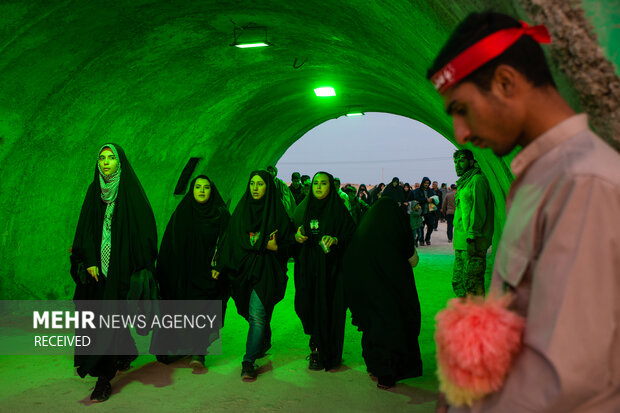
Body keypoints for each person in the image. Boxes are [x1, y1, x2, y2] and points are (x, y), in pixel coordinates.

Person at [428, 11, 620, 412]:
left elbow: (564, 377)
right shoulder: (538, 178)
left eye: (462, 108)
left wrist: (470, 406)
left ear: (505, 82)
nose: (461, 134)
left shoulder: (582, 183)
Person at [70, 144, 157, 402]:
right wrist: (89, 259)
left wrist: (131, 262)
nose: (106, 162)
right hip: (98, 271)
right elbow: (85, 228)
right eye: (102, 157)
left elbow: (146, 231)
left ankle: (104, 379)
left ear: (120, 163)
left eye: (111, 158)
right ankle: (122, 355)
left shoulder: (130, 191)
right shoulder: (93, 191)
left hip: (122, 270)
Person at [212, 170, 294, 380]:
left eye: (260, 184)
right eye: (252, 184)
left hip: (266, 271)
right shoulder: (241, 212)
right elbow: (229, 241)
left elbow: (290, 244)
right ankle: (263, 339)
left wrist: (276, 248)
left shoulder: (277, 214)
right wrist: (220, 266)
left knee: (257, 314)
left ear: (268, 187)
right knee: (252, 315)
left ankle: (248, 361)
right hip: (242, 271)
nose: (255, 188)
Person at [343, 197, 422, 389]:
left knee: (373, 329)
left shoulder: (363, 233)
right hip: (391, 296)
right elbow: (413, 261)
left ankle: (375, 366)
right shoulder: (397, 230)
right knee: (392, 329)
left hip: (366, 293)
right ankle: (387, 373)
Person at [154, 175, 230, 368]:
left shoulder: (221, 214)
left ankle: (199, 352)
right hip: (185, 273)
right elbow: (170, 243)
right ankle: (187, 347)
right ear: (192, 189)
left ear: (211, 191)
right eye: (198, 187)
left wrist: (219, 266)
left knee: (205, 310)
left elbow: (227, 244)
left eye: (206, 187)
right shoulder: (183, 212)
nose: (202, 191)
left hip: (209, 274)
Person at [293, 172, 356, 371]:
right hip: (308, 267)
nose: (319, 187)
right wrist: (297, 237)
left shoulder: (339, 210)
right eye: (316, 183)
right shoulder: (304, 208)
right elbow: (291, 233)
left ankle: (319, 351)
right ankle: (316, 342)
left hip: (332, 270)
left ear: (331, 187)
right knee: (306, 306)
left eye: (323, 183)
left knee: (328, 310)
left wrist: (336, 240)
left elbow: (351, 236)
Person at [450, 150, 494, 297]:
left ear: (471, 161)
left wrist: (472, 237)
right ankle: (466, 316)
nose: (457, 165)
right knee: (459, 283)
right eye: (455, 162)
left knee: (472, 286)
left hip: (472, 243)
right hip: (461, 243)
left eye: (462, 161)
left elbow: (478, 211)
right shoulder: (464, 183)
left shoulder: (477, 180)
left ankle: (477, 317)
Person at [412, 177, 435, 245]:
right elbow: (416, 199)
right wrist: (425, 200)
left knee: (430, 226)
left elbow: (435, 199)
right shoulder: (417, 191)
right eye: (425, 183)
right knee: (421, 227)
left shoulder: (431, 191)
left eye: (428, 183)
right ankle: (421, 240)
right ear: (423, 183)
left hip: (430, 212)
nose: (426, 184)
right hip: (421, 212)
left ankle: (427, 239)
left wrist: (432, 200)